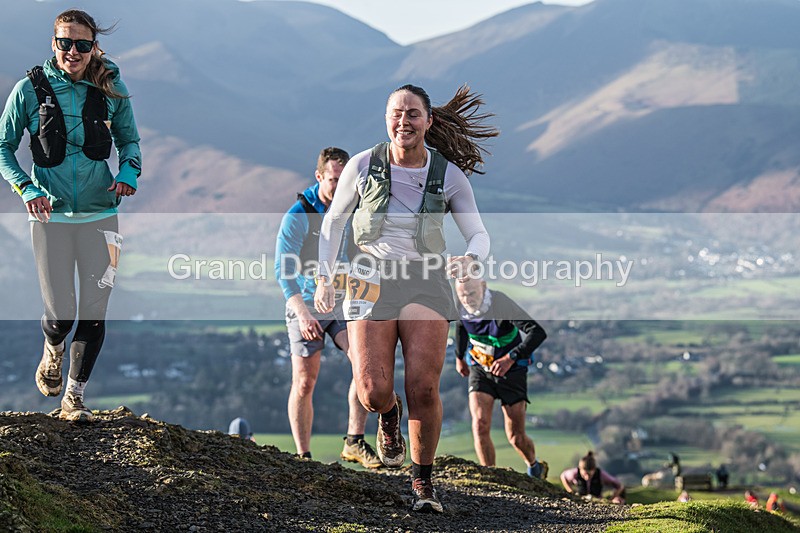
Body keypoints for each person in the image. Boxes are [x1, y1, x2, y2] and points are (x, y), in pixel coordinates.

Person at [314, 84, 495, 512]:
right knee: (373, 392)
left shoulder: (449, 174)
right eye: (397, 113)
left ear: (428, 121)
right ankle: (389, 417)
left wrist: (471, 258)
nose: (404, 121)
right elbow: (332, 224)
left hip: (425, 279)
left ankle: (423, 483)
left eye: (413, 113)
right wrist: (325, 278)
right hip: (368, 276)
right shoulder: (361, 165)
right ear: (386, 119)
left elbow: (478, 233)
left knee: (424, 387)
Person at [0, 10, 141, 422]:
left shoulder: (111, 87)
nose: (73, 52)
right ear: (53, 44)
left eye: (82, 44)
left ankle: (74, 398)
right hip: (51, 219)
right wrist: (26, 188)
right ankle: (53, 349)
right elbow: (3, 147)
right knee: (61, 313)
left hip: (102, 216)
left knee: (95, 310)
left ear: (93, 46)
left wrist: (128, 173)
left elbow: (130, 141)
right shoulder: (29, 90)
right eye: (66, 43)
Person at [274, 147, 381, 469]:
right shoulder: (299, 214)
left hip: (344, 301)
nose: (339, 186)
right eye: (334, 180)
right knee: (305, 381)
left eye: (345, 179)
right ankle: (303, 456)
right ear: (319, 176)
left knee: (362, 363)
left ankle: (354, 440)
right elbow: (282, 270)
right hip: (305, 302)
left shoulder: (354, 208)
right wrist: (303, 314)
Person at [453, 277, 548, 479]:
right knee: (480, 424)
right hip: (480, 369)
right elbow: (462, 326)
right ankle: (491, 477)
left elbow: (537, 332)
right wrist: (459, 357)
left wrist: (511, 357)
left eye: (472, 293)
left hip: (511, 373)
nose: (467, 299)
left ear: (483, 287)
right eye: (462, 295)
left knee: (515, 437)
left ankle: (534, 467)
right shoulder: (460, 305)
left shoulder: (501, 304)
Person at [560, 451, 626, 504]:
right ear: (580, 469)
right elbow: (563, 476)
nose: (587, 477)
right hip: (580, 502)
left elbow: (619, 486)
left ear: (594, 470)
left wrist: (610, 499)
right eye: (585, 474)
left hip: (598, 502)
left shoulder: (601, 474)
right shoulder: (574, 473)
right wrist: (570, 491)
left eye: (590, 475)